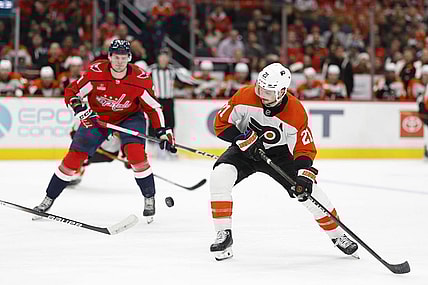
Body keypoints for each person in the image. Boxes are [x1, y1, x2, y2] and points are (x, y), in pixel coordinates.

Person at [209, 62, 358, 261]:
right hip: (245, 149)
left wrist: (304, 176)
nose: (262, 95)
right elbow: (220, 124)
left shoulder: (296, 111)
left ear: (281, 92)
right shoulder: (245, 95)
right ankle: (224, 235)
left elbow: (304, 148)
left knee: (309, 193)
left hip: (279, 155)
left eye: (268, 92)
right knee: (219, 177)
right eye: (260, 88)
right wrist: (240, 138)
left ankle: (338, 235)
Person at [32, 39, 177, 223]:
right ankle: (48, 198)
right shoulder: (96, 73)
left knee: (136, 155)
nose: (119, 61)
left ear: (129, 58)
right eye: (116, 57)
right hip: (98, 118)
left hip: (130, 118)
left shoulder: (140, 79)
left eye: (123, 58)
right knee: (73, 158)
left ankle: (149, 198)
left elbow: (153, 108)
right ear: (109, 57)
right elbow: (72, 91)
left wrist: (163, 131)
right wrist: (79, 109)